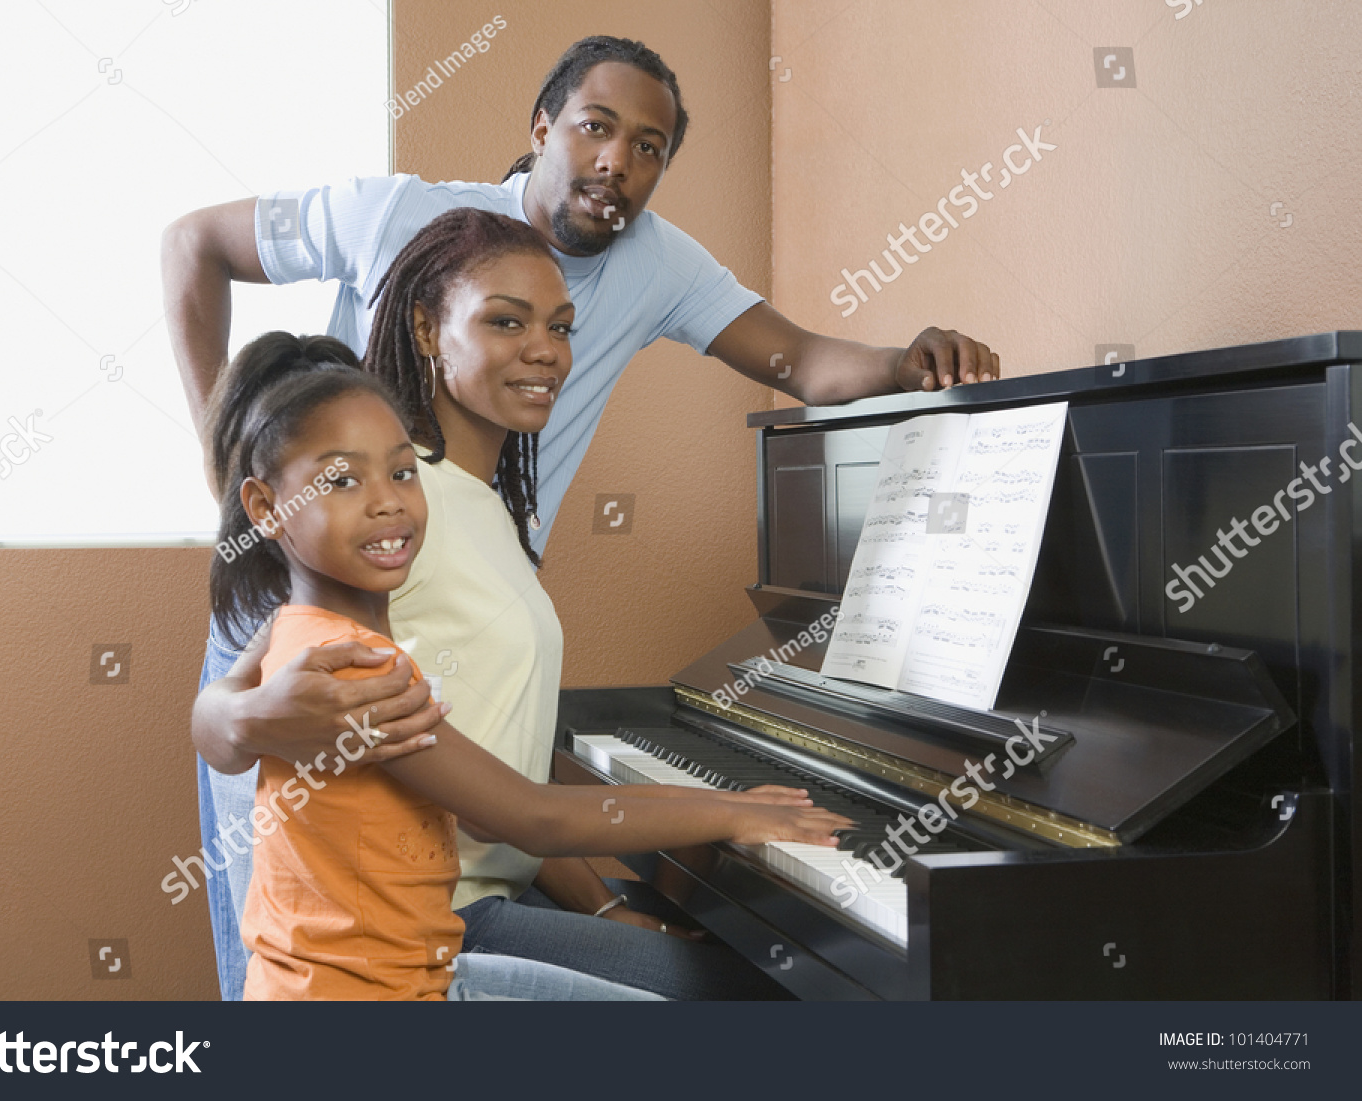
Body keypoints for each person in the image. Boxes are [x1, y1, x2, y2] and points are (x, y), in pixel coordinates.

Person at [162, 35, 1001, 1000]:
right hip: (338, 645)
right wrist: (241, 497)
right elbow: (192, 243)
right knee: (293, 955)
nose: (618, 161)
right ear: (540, 130)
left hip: (466, 672)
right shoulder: (397, 494)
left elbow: (803, 362)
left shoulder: (644, 273)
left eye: (651, 147)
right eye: (597, 128)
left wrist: (911, 362)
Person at [206, 328, 853, 999]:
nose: (387, 499)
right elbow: (530, 817)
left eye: (401, 471)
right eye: (341, 480)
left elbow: (490, 815)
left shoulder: (300, 629)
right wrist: (734, 813)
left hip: (392, 974)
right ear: (266, 509)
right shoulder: (354, 672)